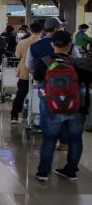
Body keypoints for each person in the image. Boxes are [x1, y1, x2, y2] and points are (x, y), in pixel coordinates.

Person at [34, 31, 87, 182]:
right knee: (75, 140)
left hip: (51, 107)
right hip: (75, 107)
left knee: (49, 139)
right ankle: (71, 171)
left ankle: (43, 172)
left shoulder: (44, 62)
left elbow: (37, 78)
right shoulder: (78, 63)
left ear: (52, 44)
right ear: (70, 45)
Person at [26, 17, 80, 151]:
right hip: (68, 86)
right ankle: (64, 142)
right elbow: (78, 62)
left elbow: (29, 65)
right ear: (56, 28)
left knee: (46, 112)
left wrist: (40, 75)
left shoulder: (35, 46)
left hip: (46, 85)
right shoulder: (69, 45)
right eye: (61, 26)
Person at [10, 23, 42, 124]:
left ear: (30, 30)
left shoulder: (22, 42)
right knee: (39, 94)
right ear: (41, 31)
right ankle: (37, 117)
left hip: (24, 70)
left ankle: (14, 116)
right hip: (40, 70)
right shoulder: (43, 42)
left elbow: (17, 55)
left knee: (21, 93)